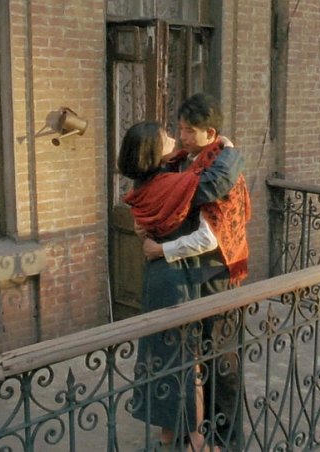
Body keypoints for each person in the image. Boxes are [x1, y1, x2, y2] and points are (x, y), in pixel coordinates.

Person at [118, 120, 243, 451]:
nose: (175, 138)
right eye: (167, 137)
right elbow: (215, 181)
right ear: (152, 151)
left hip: (155, 276)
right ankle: (196, 439)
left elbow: (144, 227)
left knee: (161, 356)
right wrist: (228, 149)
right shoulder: (172, 185)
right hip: (176, 277)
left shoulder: (147, 181)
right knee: (187, 360)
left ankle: (168, 434)